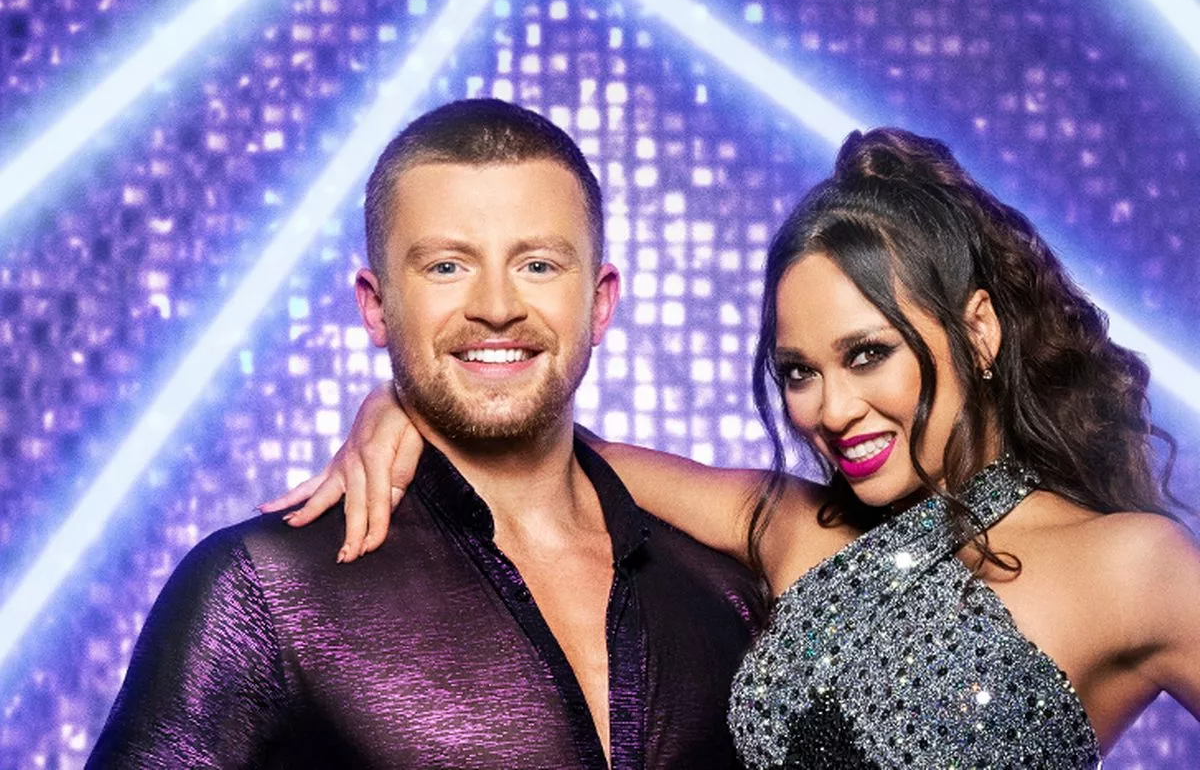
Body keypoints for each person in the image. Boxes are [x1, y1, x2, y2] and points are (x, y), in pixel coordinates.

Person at [275, 127, 1200, 767]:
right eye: (799, 371)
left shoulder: (1133, 568)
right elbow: (548, 445)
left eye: (867, 354)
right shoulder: (793, 526)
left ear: (980, 330)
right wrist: (405, 400)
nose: (832, 410)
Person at [88, 99, 767, 769]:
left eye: (538, 264)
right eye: (447, 266)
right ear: (376, 306)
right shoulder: (262, 591)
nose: (496, 308)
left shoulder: (728, 583)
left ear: (600, 301)